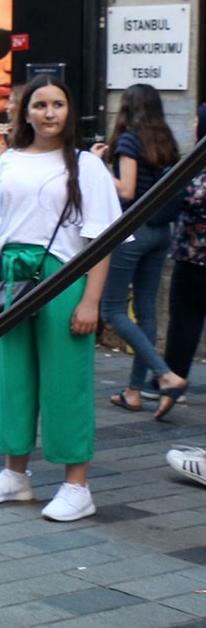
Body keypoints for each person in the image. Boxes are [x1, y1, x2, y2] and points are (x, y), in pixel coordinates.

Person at [0, 75, 121, 522]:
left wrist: (90, 301)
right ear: (25, 111)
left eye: (58, 104)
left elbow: (102, 239)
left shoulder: (85, 166)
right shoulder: (9, 160)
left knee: (66, 381)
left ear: (69, 111)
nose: (49, 112)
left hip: (64, 276)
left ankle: (77, 484)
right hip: (14, 276)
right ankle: (15, 473)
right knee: (14, 377)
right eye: (40, 104)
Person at [91, 83, 186, 418]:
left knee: (112, 310)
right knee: (145, 311)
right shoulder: (165, 142)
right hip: (161, 232)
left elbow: (127, 190)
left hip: (134, 232)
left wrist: (98, 165)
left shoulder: (130, 140)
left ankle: (165, 375)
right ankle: (133, 391)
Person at [161, 167, 206, 417]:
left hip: (193, 260)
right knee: (184, 325)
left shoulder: (197, 175)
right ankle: (173, 381)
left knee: (184, 324)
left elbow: (186, 196)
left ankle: (172, 383)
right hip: (191, 260)